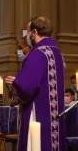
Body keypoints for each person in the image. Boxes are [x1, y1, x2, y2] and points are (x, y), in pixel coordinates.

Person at [5, 16, 67, 151]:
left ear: (34, 32)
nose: (27, 37)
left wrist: (15, 84)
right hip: (54, 116)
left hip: (37, 115)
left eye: (28, 33)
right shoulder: (58, 54)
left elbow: (27, 88)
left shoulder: (37, 54)